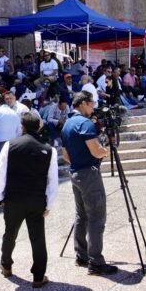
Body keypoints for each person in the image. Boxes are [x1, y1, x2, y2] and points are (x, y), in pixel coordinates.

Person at [0, 112, 59, 289]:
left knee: (10, 233)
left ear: (22, 127)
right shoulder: (49, 149)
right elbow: (53, 181)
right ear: (39, 126)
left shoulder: (10, 145)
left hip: (14, 197)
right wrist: (49, 203)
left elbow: (0, 173)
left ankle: (6, 265)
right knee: (37, 238)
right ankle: (38, 276)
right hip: (37, 199)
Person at [61, 90, 118, 275]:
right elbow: (96, 151)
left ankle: (82, 255)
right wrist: (106, 149)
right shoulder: (84, 123)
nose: (93, 107)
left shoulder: (68, 123)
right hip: (88, 175)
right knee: (96, 216)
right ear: (84, 103)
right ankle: (96, 262)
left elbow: (65, 155)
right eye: (92, 103)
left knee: (81, 215)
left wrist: (79, 162)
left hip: (75, 172)